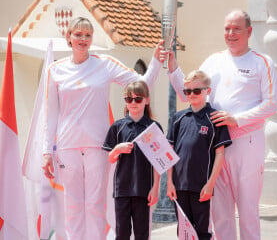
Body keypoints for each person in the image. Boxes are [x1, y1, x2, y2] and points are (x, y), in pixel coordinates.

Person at [41, 17, 164, 240]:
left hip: (98, 145)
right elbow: (50, 114)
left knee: (96, 205)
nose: (83, 39)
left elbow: (142, 84)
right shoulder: (55, 70)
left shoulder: (105, 64)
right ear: (68, 37)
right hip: (68, 146)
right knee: (74, 206)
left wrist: (155, 62)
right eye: (78, 34)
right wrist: (46, 151)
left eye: (87, 35)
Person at [165, 10, 277, 240]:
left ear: (249, 31)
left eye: (236, 28)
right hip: (214, 147)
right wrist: (173, 67)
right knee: (220, 214)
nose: (231, 33)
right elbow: (190, 92)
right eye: (227, 28)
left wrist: (236, 119)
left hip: (246, 142)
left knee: (247, 211)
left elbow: (271, 104)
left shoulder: (262, 62)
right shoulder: (213, 61)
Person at [166, 70, 232, 240]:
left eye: (196, 91)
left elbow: (220, 154)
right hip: (179, 186)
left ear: (207, 91)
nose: (192, 94)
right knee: (183, 231)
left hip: (201, 187)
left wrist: (210, 184)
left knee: (202, 232)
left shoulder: (215, 118)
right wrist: (170, 183)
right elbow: (169, 153)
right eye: (187, 91)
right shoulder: (178, 118)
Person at [102, 81, 161, 240]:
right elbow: (110, 157)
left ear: (147, 100)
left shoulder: (153, 127)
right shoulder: (117, 127)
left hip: (144, 190)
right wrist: (117, 149)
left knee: (142, 234)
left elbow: (159, 162)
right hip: (122, 190)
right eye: (129, 99)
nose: (133, 103)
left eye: (138, 99)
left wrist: (155, 188)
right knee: (122, 234)